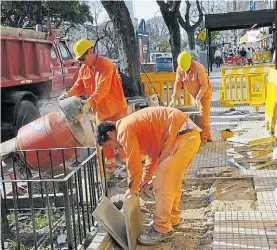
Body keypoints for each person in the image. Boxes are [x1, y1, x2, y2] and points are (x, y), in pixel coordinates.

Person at [95, 107, 201, 246]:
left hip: (181, 137)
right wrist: (145, 179)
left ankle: (162, 229)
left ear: (111, 133)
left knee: (162, 183)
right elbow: (152, 153)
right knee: (171, 182)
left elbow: (134, 163)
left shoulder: (123, 131)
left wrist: (132, 188)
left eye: (110, 144)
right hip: (185, 137)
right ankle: (171, 219)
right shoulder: (131, 126)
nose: (114, 148)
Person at [58, 39, 127, 179]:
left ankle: (129, 167)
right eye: (79, 60)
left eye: (82, 58)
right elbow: (79, 86)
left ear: (90, 52)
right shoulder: (84, 68)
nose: (81, 62)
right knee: (105, 141)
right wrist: (67, 95)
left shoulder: (106, 65)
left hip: (116, 110)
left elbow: (103, 88)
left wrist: (90, 102)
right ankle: (110, 171)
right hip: (100, 113)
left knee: (121, 139)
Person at [169, 51, 212, 144]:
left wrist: (198, 98)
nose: (185, 71)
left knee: (204, 115)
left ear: (191, 61)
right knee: (197, 115)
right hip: (194, 94)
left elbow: (204, 85)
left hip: (204, 94)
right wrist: (174, 99)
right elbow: (178, 84)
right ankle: (204, 136)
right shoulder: (180, 69)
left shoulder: (199, 68)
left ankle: (204, 138)